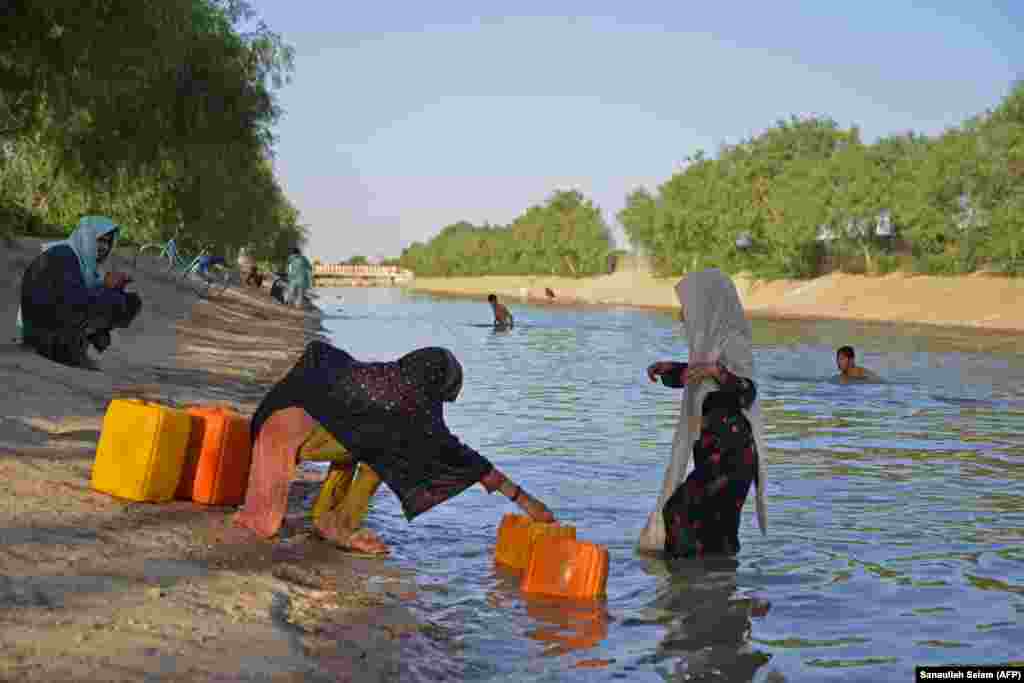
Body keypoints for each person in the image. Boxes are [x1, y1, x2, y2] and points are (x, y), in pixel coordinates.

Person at [232, 341, 555, 555]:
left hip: (272, 425)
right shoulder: (409, 406)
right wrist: (527, 502)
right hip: (292, 438)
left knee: (371, 434)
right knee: (386, 449)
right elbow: (464, 459)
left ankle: (326, 519)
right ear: (436, 382)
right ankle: (340, 524)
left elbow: (318, 359)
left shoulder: (378, 379)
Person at [639, 268, 768, 559]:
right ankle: (717, 593)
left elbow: (746, 390)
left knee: (678, 512)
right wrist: (669, 370)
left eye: (689, 306)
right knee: (716, 534)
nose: (683, 314)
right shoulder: (711, 341)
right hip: (712, 452)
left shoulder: (733, 340)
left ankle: (682, 590)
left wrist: (716, 371)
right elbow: (699, 376)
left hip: (732, 456)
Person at [16, 216, 141, 369]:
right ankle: (70, 354)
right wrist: (108, 289)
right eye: (99, 240)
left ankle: (74, 350)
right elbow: (76, 304)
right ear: (86, 237)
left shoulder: (75, 258)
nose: (104, 247)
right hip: (44, 340)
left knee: (126, 300)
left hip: (43, 334)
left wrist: (110, 287)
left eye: (108, 242)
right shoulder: (64, 256)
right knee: (117, 302)